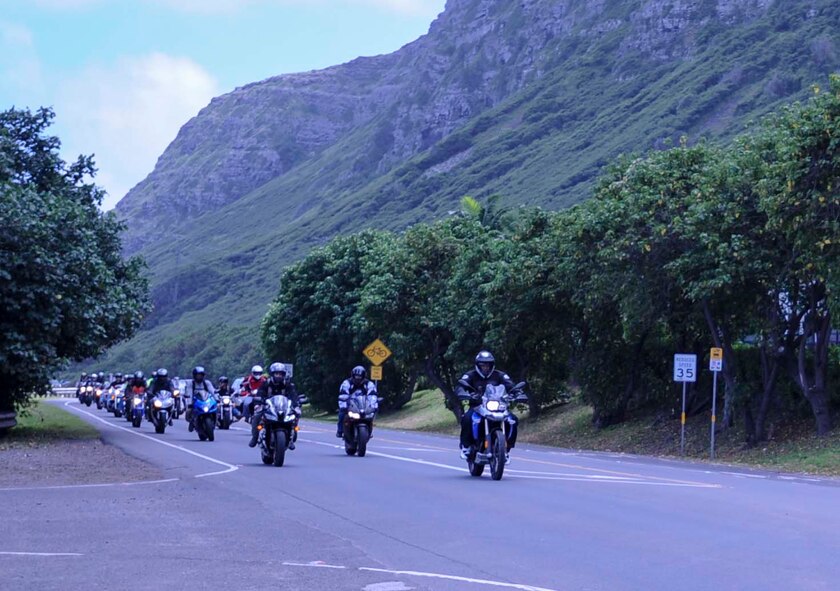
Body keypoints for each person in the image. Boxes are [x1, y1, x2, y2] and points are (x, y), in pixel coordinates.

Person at [455, 350, 519, 460]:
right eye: (483, 365)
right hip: (477, 407)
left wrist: (517, 393)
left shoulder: (500, 375)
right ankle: (466, 446)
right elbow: (460, 387)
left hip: (498, 406)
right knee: (467, 418)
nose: (486, 367)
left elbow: (511, 386)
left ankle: (507, 449)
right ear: (478, 365)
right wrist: (464, 393)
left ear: (492, 365)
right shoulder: (470, 375)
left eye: (488, 364)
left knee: (513, 420)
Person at [248, 362, 300, 449]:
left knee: (295, 416)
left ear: (284, 375)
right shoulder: (266, 384)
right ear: (272, 374)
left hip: (284, 408)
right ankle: (254, 437)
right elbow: (260, 394)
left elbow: (294, 396)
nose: (278, 376)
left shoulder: (288, 384)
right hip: (269, 407)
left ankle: (291, 438)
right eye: (276, 373)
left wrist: (296, 405)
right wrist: (258, 403)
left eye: (280, 374)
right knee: (257, 416)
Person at [337, 366, 377, 439]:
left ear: (363, 376)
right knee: (342, 413)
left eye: (360, 377)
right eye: (356, 377)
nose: (358, 379)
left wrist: (373, 406)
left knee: (371, 414)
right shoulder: (346, 383)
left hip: (364, 405)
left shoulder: (369, 384)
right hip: (351, 405)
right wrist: (344, 405)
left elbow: (372, 395)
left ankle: (369, 430)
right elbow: (343, 394)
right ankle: (340, 430)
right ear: (353, 376)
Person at [184, 366, 217, 432]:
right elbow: (189, 392)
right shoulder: (191, 383)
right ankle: (192, 421)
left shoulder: (207, 383)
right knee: (189, 411)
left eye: (201, 375)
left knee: (216, 408)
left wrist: (216, 399)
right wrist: (190, 402)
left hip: (205, 401)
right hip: (195, 401)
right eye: (198, 375)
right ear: (194, 375)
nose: (199, 377)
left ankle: (216, 421)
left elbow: (212, 391)